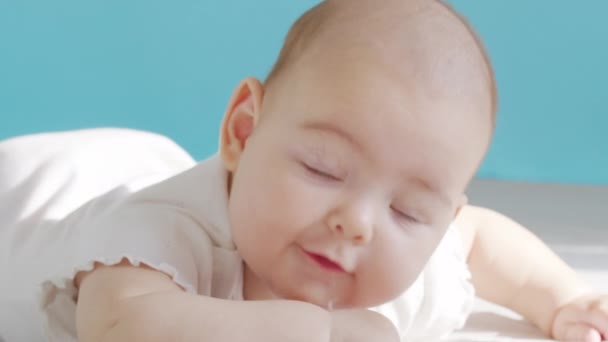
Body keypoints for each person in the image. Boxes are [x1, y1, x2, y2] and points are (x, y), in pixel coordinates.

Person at [0, 0, 606, 341]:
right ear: (244, 130)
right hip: (53, 188)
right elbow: (122, 324)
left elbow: (478, 237)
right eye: (323, 168)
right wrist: (328, 333)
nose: (359, 224)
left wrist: (562, 298)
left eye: (408, 210)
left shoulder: (407, 267)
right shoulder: (162, 232)